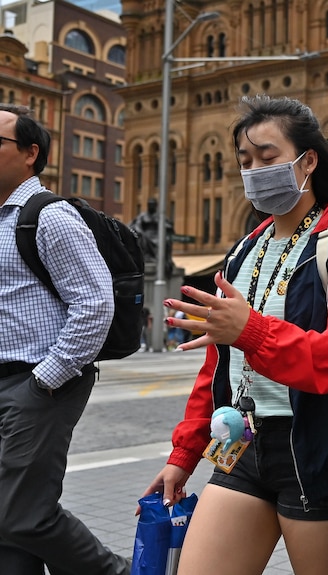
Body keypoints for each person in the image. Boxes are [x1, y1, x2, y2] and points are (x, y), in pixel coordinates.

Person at [140, 95, 328, 575]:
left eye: (268, 157)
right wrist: (184, 455)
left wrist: (248, 330)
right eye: (244, 161)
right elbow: (218, 366)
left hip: (322, 448)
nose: (254, 170)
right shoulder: (243, 251)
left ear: (308, 160)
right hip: (243, 444)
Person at [0, 104, 129, 574]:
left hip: (36, 384)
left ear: (31, 153)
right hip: (10, 383)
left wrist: (43, 381)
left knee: (24, 516)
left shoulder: (49, 217)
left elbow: (95, 305)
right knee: (6, 520)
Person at [130, 197, 174, 273]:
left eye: (152, 205)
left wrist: (162, 224)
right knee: (143, 238)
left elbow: (169, 226)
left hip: (158, 235)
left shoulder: (160, 216)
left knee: (165, 240)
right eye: (149, 205)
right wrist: (140, 231)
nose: (151, 206)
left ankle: (164, 260)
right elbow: (136, 225)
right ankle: (146, 257)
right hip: (145, 234)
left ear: (156, 206)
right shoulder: (143, 216)